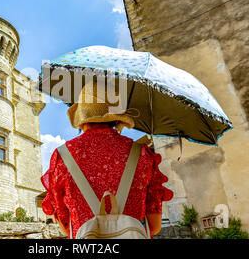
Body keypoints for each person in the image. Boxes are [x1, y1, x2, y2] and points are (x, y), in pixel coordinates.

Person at [41, 81, 173, 238]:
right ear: (116, 119)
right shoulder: (142, 154)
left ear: (82, 119)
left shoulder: (62, 157)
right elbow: (154, 226)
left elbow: (66, 227)